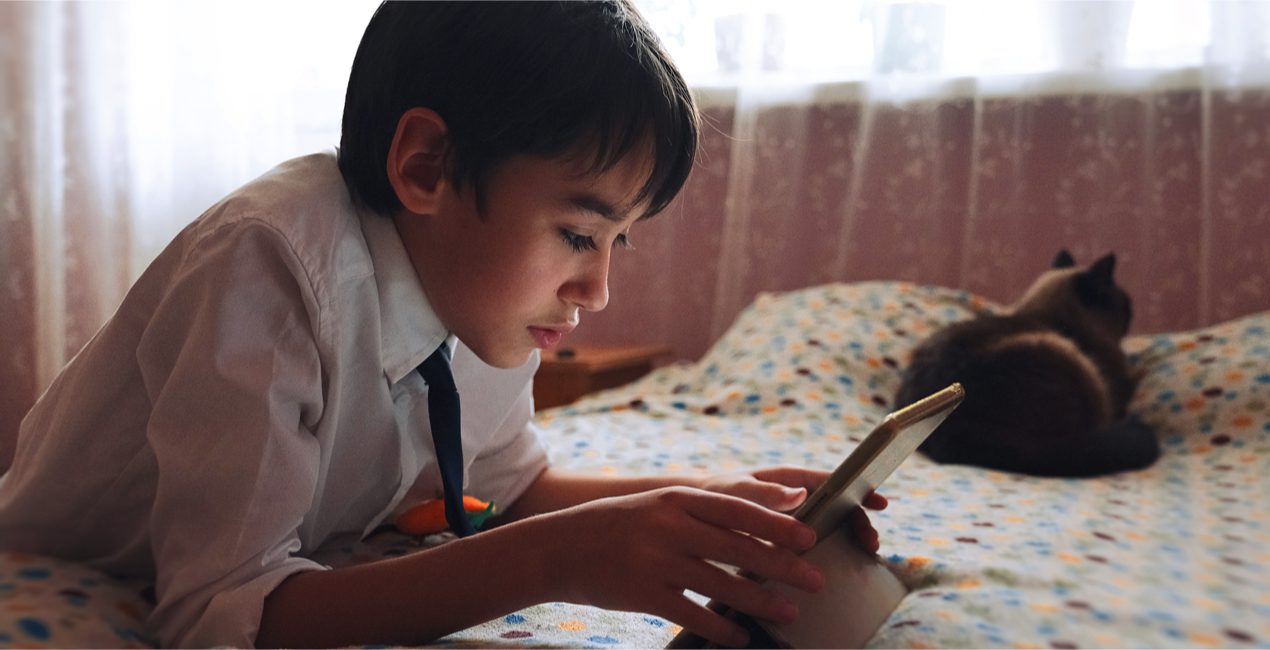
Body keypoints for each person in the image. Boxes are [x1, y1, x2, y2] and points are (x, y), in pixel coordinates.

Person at [0, 2, 885, 647]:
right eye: (579, 234)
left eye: (620, 242)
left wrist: (707, 507)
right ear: (427, 165)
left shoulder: (484, 299)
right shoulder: (268, 262)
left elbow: (509, 489)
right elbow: (221, 612)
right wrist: (559, 559)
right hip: (78, 562)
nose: (598, 289)